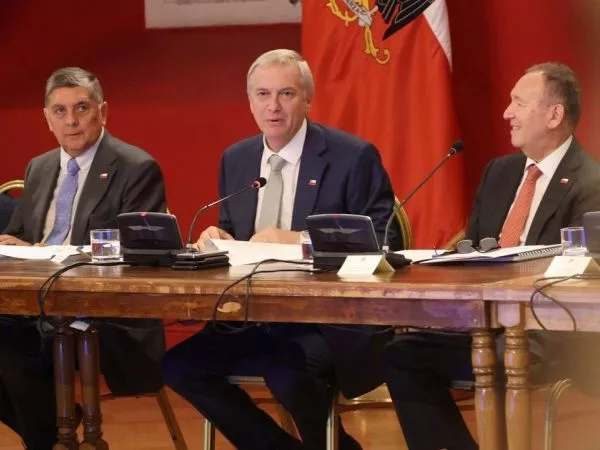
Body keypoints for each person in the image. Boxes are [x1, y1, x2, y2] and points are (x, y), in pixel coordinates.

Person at [162, 49, 401, 450]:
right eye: (263, 94)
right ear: (250, 101)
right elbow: (239, 237)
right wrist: (218, 239)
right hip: (251, 316)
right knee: (179, 367)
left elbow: (381, 241)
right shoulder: (237, 159)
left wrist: (299, 240)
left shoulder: (352, 156)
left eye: (286, 94)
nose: (273, 106)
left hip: (326, 320)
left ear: (308, 99)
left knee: (288, 372)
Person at [380, 62, 600, 450]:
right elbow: (473, 249)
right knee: (401, 355)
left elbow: (580, 272)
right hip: (483, 324)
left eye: (519, 103)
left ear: (554, 115)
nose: (506, 113)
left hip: (547, 333)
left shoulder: (590, 183)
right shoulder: (499, 172)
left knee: (498, 360)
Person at [0, 67, 167, 449]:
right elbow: (21, 237)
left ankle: (48, 434)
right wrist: (11, 243)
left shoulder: (136, 167)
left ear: (102, 111)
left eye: (82, 108)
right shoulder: (40, 166)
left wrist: (49, 255)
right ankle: (50, 426)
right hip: (33, 305)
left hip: (102, 313)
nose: (71, 121)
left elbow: (139, 253)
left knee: (9, 351)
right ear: (47, 118)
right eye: (59, 111)